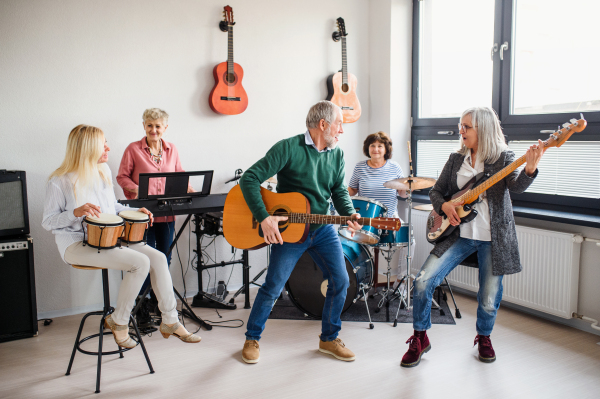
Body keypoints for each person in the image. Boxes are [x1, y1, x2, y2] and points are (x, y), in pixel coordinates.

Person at [400, 107, 545, 367]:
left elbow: (516, 186)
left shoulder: (504, 157)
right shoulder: (457, 159)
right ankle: (419, 338)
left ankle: (484, 337)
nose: (461, 131)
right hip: (458, 235)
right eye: (460, 125)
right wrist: (444, 206)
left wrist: (530, 169)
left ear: (484, 129)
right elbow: (436, 191)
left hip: (494, 238)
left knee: (489, 297)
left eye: (467, 126)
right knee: (422, 282)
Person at [42, 124, 200, 347]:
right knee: (139, 262)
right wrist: (74, 213)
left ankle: (170, 321)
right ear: (88, 148)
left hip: (108, 238)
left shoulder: (102, 171)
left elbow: (112, 206)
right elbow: (48, 222)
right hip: (75, 244)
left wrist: (134, 211)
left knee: (158, 258)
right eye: (102, 143)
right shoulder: (59, 181)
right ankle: (119, 320)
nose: (108, 147)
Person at [239, 100, 361, 364]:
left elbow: (339, 190)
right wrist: (264, 218)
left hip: (323, 228)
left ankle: (329, 339)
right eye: (339, 123)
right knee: (273, 286)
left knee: (341, 281)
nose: (342, 129)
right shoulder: (288, 148)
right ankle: (252, 338)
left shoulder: (337, 154)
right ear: (323, 124)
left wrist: (349, 212)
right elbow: (248, 178)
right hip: (291, 232)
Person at [117, 108, 191, 318]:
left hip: (166, 214)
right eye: (150, 125)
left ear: (165, 128)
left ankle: (158, 301)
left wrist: (190, 189)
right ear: (144, 126)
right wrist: (139, 189)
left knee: (164, 258)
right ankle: (141, 305)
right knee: (144, 260)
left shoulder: (172, 149)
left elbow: (179, 174)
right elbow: (122, 177)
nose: (154, 130)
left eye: (158, 126)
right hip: (142, 215)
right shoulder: (133, 149)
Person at [348, 131, 406, 217]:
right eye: (372, 145)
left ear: (386, 149)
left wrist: (410, 188)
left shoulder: (395, 167)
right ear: (367, 148)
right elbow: (352, 190)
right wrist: (337, 192)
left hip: (390, 218)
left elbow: (402, 193)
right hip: (366, 217)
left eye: (380, 146)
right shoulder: (360, 167)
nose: (375, 149)